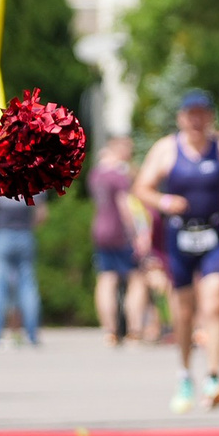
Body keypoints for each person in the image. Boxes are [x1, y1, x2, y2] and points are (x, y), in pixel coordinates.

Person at [132, 89, 219, 413]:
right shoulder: (166, 150)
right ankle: (185, 374)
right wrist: (163, 201)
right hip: (179, 238)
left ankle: (214, 377)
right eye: (191, 114)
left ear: (211, 117)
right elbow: (141, 187)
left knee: (213, 304)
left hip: (212, 235)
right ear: (181, 118)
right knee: (183, 312)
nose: (197, 120)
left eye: (202, 113)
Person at [89, 135, 146, 345]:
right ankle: (134, 330)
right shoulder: (119, 175)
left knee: (106, 279)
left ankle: (110, 331)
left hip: (101, 229)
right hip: (120, 232)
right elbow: (125, 206)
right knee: (136, 278)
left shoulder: (97, 173)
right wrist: (136, 233)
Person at [0, 191, 41, 347]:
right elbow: (41, 213)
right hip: (25, 233)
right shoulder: (33, 177)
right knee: (28, 286)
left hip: (2, 233)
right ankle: (31, 334)